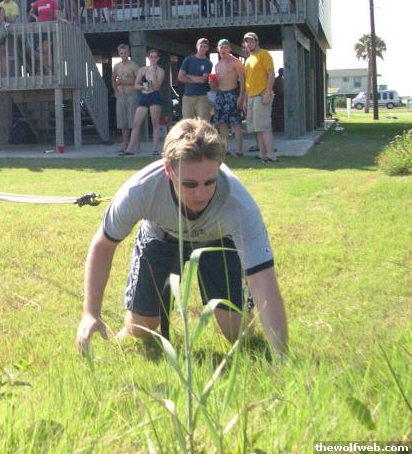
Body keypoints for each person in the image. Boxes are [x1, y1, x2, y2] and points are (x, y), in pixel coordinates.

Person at [76, 118, 288, 358]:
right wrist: (90, 313)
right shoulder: (139, 190)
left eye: (209, 182)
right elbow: (103, 245)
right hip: (161, 235)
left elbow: (262, 279)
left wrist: (281, 356)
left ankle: (241, 312)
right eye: (189, 184)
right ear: (168, 170)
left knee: (239, 334)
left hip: (218, 239)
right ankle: (131, 327)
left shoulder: (240, 206)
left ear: (219, 167)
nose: (201, 194)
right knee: (141, 329)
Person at [121, 49, 164, 156]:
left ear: (158, 59)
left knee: (155, 123)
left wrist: (153, 74)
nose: (153, 59)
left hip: (155, 96)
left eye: (155, 57)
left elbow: (156, 87)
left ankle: (154, 149)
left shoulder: (160, 71)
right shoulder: (142, 70)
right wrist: (144, 87)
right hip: (144, 96)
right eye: (151, 56)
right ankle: (129, 149)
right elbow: (136, 85)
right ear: (148, 58)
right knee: (136, 123)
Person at [243, 32, 278, 162]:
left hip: (262, 95)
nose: (249, 43)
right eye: (247, 41)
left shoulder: (264, 54)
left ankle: (271, 155)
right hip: (251, 97)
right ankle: (262, 154)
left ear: (257, 42)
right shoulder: (248, 60)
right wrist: (245, 99)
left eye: (251, 41)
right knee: (257, 128)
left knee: (264, 126)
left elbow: (271, 74)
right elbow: (247, 82)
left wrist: (267, 93)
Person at [212, 39, 245, 157]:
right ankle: (225, 149)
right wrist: (212, 83)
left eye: (225, 47)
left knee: (235, 123)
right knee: (222, 124)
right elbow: (215, 84)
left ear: (229, 49)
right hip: (220, 95)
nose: (223, 50)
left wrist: (241, 96)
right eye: (221, 47)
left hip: (232, 94)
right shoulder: (217, 65)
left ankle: (239, 150)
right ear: (218, 49)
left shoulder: (236, 62)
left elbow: (243, 80)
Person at [29, 0, 66, 75]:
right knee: (42, 50)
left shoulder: (52, 2)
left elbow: (56, 14)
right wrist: (36, 17)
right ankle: (47, 69)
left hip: (50, 27)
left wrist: (61, 19)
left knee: (47, 49)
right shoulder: (37, 3)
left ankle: (51, 69)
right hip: (40, 28)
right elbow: (31, 12)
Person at [111, 44, 140, 152]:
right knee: (123, 122)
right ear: (119, 54)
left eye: (125, 53)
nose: (123, 55)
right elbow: (113, 79)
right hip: (121, 96)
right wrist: (116, 91)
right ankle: (125, 144)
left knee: (133, 121)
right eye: (121, 53)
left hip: (132, 95)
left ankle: (136, 145)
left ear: (128, 53)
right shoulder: (117, 66)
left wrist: (126, 81)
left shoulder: (134, 65)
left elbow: (139, 80)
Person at [178, 38, 213, 120]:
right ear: (197, 46)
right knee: (188, 123)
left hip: (202, 96)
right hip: (188, 96)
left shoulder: (208, 63)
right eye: (201, 46)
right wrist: (195, 80)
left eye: (205, 46)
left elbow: (202, 80)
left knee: (203, 123)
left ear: (207, 48)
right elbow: (180, 77)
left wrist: (189, 76)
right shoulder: (188, 60)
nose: (202, 48)